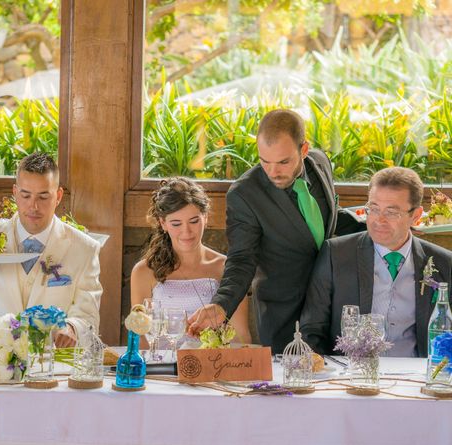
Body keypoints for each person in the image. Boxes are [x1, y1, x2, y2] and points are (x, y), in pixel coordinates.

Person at [187, 109, 363, 353]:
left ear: (303, 150)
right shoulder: (245, 195)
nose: (273, 172)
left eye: (283, 162)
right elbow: (241, 259)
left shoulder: (321, 163)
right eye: (264, 161)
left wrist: (378, 225)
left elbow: (326, 220)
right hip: (285, 314)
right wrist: (221, 305)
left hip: (334, 304)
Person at [300, 167, 452, 357]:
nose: (378, 220)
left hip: (417, 377)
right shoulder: (336, 254)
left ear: (416, 215)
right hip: (350, 375)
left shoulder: (444, 263)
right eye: (373, 208)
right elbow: (311, 330)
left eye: (391, 212)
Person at [0, 152, 102, 347]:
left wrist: (72, 327)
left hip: (52, 366)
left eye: (43, 196)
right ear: (15, 193)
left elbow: (88, 317)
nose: (33, 206)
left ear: (58, 196)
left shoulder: (85, 249)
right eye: (25, 195)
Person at [131, 177, 251, 344]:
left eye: (194, 221)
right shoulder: (144, 272)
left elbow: (241, 336)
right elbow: (140, 341)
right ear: (162, 223)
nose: (186, 232)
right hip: (160, 369)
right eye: (176, 223)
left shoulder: (227, 268)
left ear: (206, 217)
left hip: (213, 366)